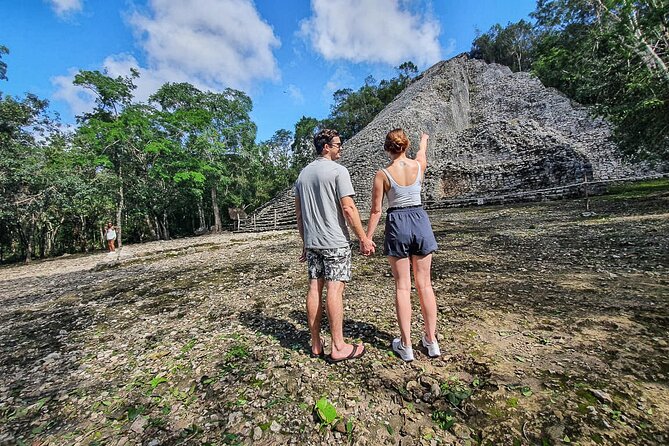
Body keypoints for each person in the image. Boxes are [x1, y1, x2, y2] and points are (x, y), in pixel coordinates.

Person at [294, 128, 376, 362]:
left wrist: (305, 243)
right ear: (326, 147)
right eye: (338, 144)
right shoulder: (338, 171)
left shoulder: (302, 175)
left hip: (313, 243)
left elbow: (299, 215)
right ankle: (338, 346)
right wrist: (363, 237)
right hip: (335, 242)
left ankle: (316, 344)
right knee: (334, 289)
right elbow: (348, 209)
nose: (341, 148)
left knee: (314, 288)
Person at [366, 129, 440, 362]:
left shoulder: (383, 174)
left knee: (402, 287)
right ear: (405, 146)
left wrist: (367, 237)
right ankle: (431, 340)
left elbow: (376, 210)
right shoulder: (419, 166)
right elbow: (422, 153)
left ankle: (406, 345)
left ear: (388, 148)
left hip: (397, 222)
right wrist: (424, 140)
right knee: (425, 285)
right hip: (420, 220)